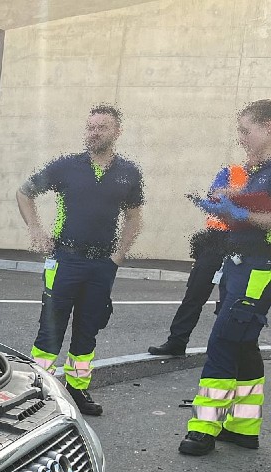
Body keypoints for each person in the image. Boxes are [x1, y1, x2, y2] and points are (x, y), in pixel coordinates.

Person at [17, 105, 145, 416]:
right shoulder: (66, 166)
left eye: (102, 127)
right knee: (50, 328)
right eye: (90, 127)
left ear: (117, 132)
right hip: (66, 259)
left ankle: (77, 388)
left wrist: (119, 255)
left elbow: (133, 216)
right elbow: (24, 193)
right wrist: (35, 229)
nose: (94, 133)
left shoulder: (128, 173)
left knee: (88, 330)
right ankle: (41, 390)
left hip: (102, 265)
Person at [179, 99, 271, 456]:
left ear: (268, 128)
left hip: (258, 268)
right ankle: (243, 427)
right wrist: (226, 208)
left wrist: (237, 210)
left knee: (222, 342)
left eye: (246, 131)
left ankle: (204, 427)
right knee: (243, 343)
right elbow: (255, 206)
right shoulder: (258, 170)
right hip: (240, 265)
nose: (241, 138)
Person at [149, 164, 248, 357]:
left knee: (232, 299)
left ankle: (226, 349)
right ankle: (176, 342)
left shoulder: (263, 177)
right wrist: (243, 197)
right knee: (195, 293)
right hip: (215, 240)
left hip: (241, 242)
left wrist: (233, 196)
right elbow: (215, 196)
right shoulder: (231, 171)